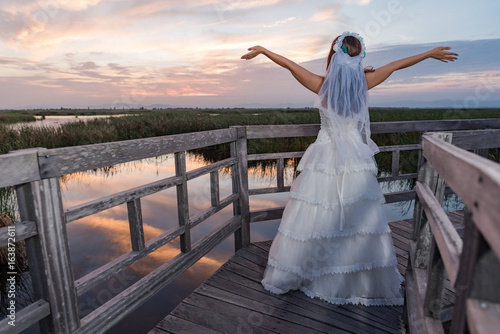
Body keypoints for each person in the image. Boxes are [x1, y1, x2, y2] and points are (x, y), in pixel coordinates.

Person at [241, 31, 457, 306]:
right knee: (358, 219)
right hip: (355, 159)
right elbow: (398, 64)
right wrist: (428, 53)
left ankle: (310, 269)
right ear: (359, 56)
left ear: (334, 54)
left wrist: (264, 50)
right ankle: (354, 279)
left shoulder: (320, 84)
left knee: (316, 215)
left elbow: (289, 65)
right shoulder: (366, 81)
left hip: (324, 157)